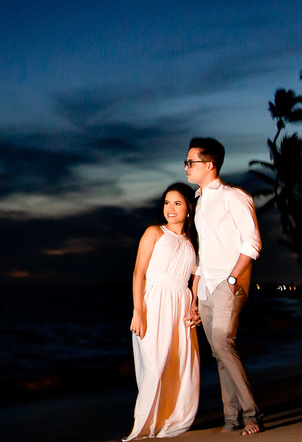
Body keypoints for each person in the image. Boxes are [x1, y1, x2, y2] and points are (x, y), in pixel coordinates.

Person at [185, 137, 263, 435]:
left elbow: (252, 243)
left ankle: (252, 414)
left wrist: (232, 279)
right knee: (220, 353)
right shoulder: (200, 199)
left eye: (191, 162)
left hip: (228, 285)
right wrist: (195, 292)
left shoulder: (234, 196)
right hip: (206, 288)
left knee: (222, 344)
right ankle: (231, 418)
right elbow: (204, 255)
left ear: (209, 164)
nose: (187, 167)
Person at [124, 182, 201, 440]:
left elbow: (198, 275)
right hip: (154, 302)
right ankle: (143, 426)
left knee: (178, 363)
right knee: (154, 365)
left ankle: (172, 419)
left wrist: (195, 305)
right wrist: (138, 311)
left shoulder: (193, 241)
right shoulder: (154, 232)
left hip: (180, 305)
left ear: (189, 208)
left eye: (177, 203)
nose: (170, 208)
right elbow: (138, 273)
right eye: (167, 202)